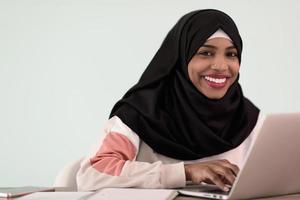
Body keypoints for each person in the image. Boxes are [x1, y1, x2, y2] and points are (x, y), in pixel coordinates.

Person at [77, 9, 261, 192]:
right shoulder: (139, 114)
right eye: (205, 53)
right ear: (181, 57)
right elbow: (92, 175)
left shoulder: (247, 118)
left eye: (231, 54)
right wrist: (184, 172)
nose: (221, 66)